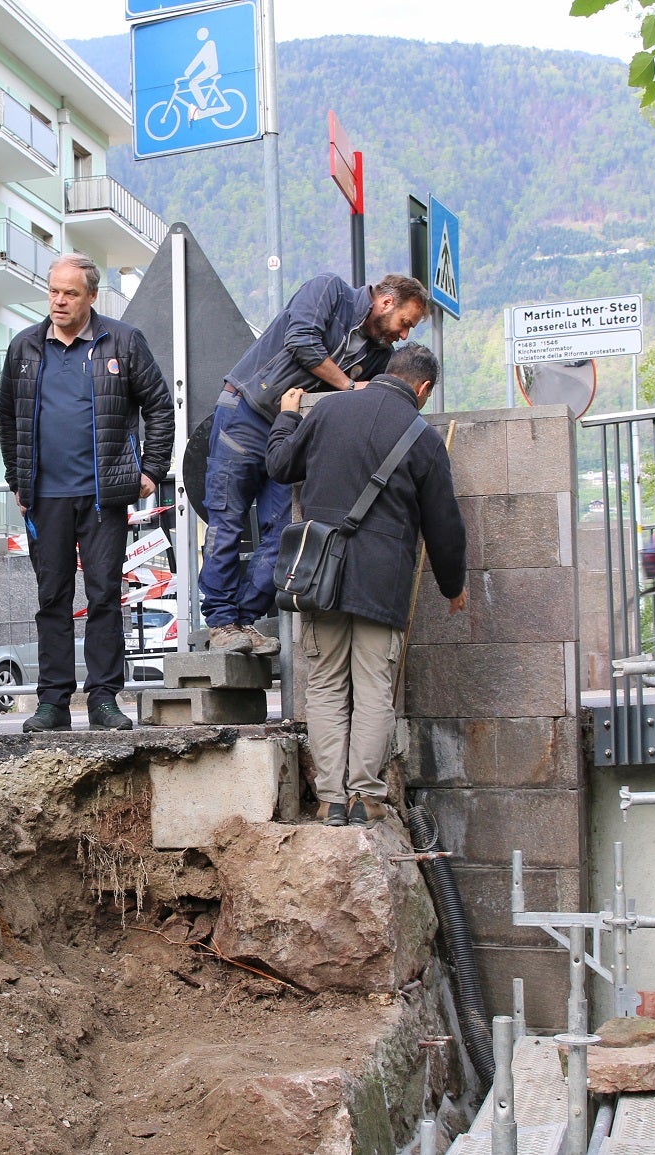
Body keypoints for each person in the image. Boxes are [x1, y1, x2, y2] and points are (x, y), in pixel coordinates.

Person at [265, 343, 467, 827]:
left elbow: (279, 466)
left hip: (320, 575)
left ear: (386, 373)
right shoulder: (421, 436)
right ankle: (364, 798)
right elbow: (445, 523)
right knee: (375, 689)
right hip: (383, 581)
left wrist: (288, 417)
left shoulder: (330, 409)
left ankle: (331, 799)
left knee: (327, 684)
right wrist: (452, 585)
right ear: (423, 388)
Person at [201, 273, 430, 657]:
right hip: (246, 413)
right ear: (387, 302)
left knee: (288, 528)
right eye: (405, 322)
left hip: (292, 434)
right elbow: (301, 342)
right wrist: (347, 385)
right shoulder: (329, 291)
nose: (404, 335)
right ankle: (221, 622)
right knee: (227, 518)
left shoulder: (379, 357)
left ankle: (244, 621)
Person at [0, 252, 175, 733]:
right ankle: (52, 703)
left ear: (91, 297)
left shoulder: (123, 341)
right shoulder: (24, 348)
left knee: (103, 597)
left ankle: (103, 700)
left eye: (70, 293)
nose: (58, 301)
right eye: (54, 291)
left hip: (104, 496)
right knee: (51, 598)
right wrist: (19, 480)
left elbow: (159, 406)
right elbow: (8, 418)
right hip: (46, 498)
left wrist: (153, 468)